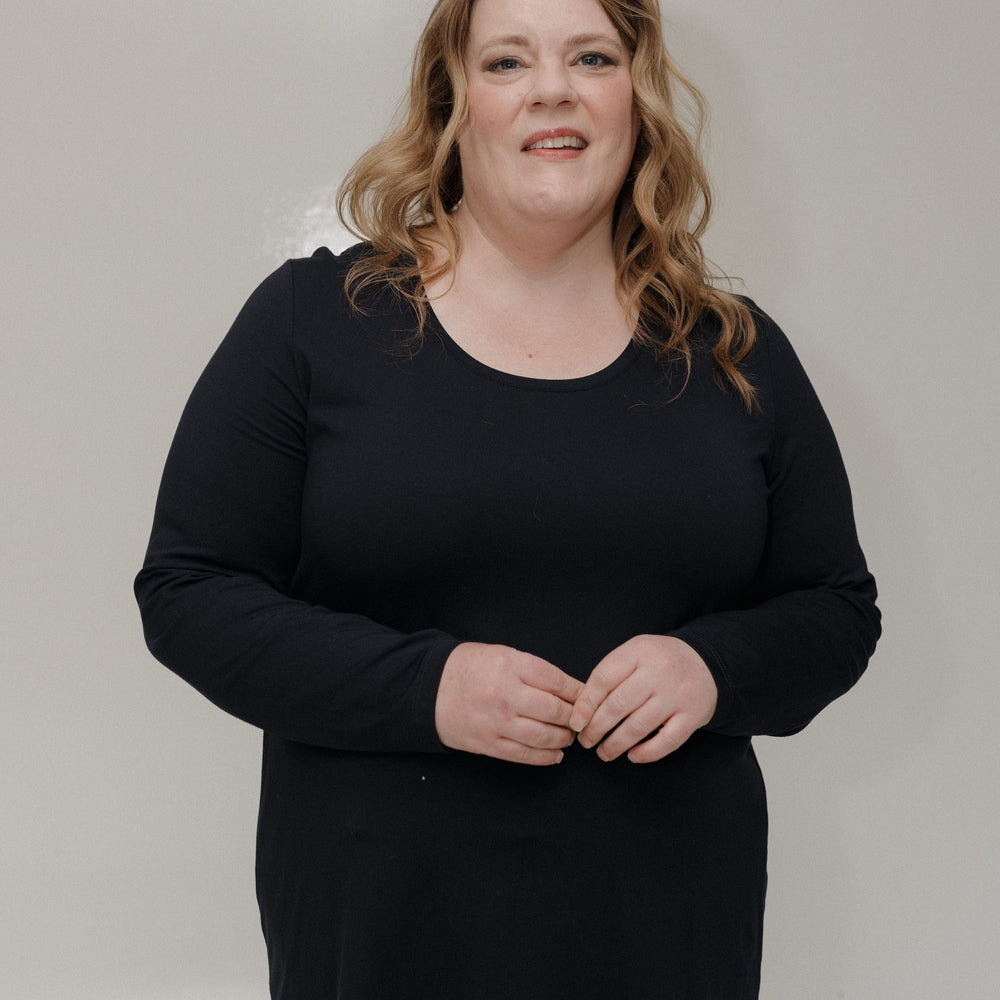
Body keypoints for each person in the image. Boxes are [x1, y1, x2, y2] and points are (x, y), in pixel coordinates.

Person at [134, 0, 880, 996]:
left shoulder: (734, 353)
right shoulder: (312, 325)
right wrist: (423, 689)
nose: (552, 89)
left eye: (592, 56)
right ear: (452, 102)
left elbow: (834, 608)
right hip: (381, 933)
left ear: (636, 96)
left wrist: (713, 668)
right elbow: (190, 592)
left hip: (666, 931)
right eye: (506, 61)